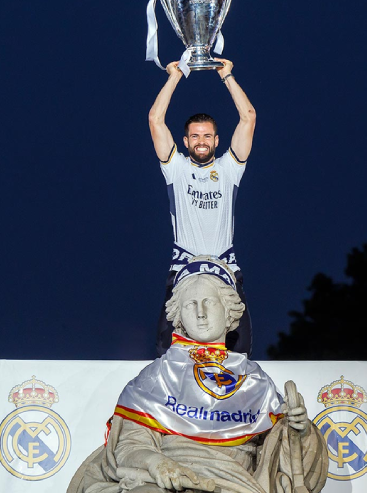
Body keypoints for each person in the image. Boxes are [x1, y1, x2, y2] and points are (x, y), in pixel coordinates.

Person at [67, 259, 327, 493]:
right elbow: (129, 446)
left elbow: (285, 459)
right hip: (168, 483)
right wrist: (155, 462)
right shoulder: (157, 375)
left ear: (229, 312)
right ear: (178, 316)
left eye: (209, 302)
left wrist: (300, 431)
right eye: (191, 304)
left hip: (235, 483)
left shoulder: (254, 379)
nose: (200, 313)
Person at [149, 58, 257, 356]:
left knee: (241, 350)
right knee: (164, 351)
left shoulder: (229, 168)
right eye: (195, 136)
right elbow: (155, 120)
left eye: (207, 135)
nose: (201, 141)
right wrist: (174, 75)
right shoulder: (176, 168)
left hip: (226, 268)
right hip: (183, 268)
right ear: (185, 141)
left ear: (216, 140)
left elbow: (248, 117)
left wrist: (228, 76)